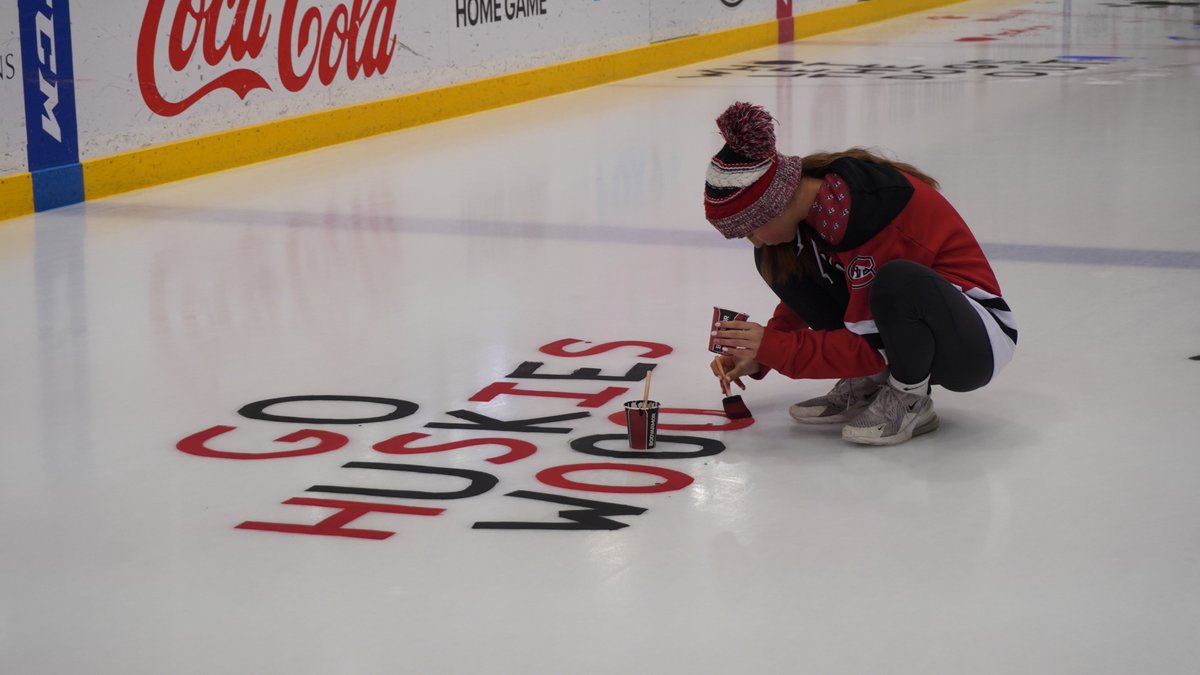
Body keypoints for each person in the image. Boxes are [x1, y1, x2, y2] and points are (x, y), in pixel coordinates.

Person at [704, 101, 1017, 446]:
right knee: (777, 262)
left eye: (752, 229)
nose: (755, 241)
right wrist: (760, 352)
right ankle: (873, 381)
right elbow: (816, 295)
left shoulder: (869, 214)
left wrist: (776, 347)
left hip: (974, 343)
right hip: (914, 327)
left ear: (774, 204)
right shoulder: (819, 206)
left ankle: (910, 396)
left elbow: (870, 343)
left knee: (897, 282)